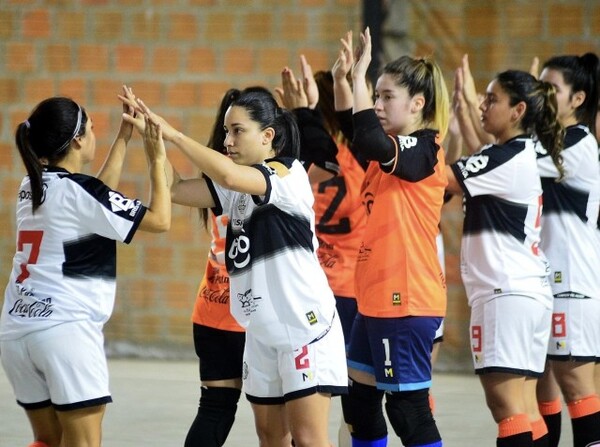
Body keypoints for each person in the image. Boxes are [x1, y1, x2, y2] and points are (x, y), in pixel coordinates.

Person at [123, 88, 348, 447]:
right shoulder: (239, 184)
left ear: (268, 136)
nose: (227, 140)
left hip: (303, 328)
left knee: (308, 439)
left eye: (237, 131)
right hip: (261, 332)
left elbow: (228, 176)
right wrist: (154, 144)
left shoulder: (286, 174)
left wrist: (176, 134)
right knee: (270, 437)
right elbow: (176, 189)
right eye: (226, 131)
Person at [0, 90, 171, 447]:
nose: (95, 135)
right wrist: (157, 158)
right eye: (92, 129)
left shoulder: (30, 187)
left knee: (47, 440)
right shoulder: (80, 192)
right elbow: (160, 221)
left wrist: (123, 139)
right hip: (65, 331)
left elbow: (95, 196)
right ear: (78, 139)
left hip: (16, 329)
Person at [336, 28, 448, 447]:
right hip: (375, 301)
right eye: (376, 97)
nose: (378, 105)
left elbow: (367, 135)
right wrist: (343, 82)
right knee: (360, 404)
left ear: (418, 104)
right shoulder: (387, 157)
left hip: (405, 298)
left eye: (387, 97)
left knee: (407, 408)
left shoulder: (424, 148)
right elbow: (355, 134)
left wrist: (362, 74)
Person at [447, 67, 564, 447]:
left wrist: (422, 139)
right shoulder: (512, 154)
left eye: (492, 99)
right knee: (526, 409)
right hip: (523, 292)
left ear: (518, 111)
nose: (484, 104)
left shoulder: (508, 156)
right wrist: (462, 113)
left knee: (507, 409)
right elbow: (474, 156)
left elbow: (446, 179)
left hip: (506, 293)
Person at [534, 53, 600, 447]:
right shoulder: (554, 140)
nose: (542, 95)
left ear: (577, 99)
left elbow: (516, 158)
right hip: (546, 281)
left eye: (550, 88)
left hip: (571, 282)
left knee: (577, 386)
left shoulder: (577, 142)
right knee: (541, 384)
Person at [181, 88, 246, 447]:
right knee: (285, 420)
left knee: (216, 408)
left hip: (212, 307)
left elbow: (174, 189)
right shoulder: (258, 178)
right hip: (249, 315)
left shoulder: (217, 177)